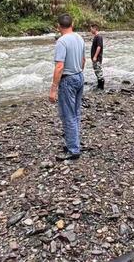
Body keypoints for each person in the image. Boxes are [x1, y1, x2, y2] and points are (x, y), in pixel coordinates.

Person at [49, 13, 85, 161]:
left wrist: (53, 88)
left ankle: (73, 150)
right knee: (75, 112)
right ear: (72, 24)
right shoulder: (80, 38)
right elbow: (83, 61)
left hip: (68, 79)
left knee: (68, 115)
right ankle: (74, 142)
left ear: (58, 26)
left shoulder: (62, 42)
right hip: (79, 76)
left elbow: (59, 66)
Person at [89, 23, 105, 90]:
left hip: (97, 58)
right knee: (97, 71)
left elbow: (99, 47)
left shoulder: (98, 37)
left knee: (99, 72)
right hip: (95, 58)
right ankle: (99, 86)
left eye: (91, 29)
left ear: (95, 29)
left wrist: (95, 56)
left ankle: (101, 87)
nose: (90, 30)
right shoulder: (96, 37)